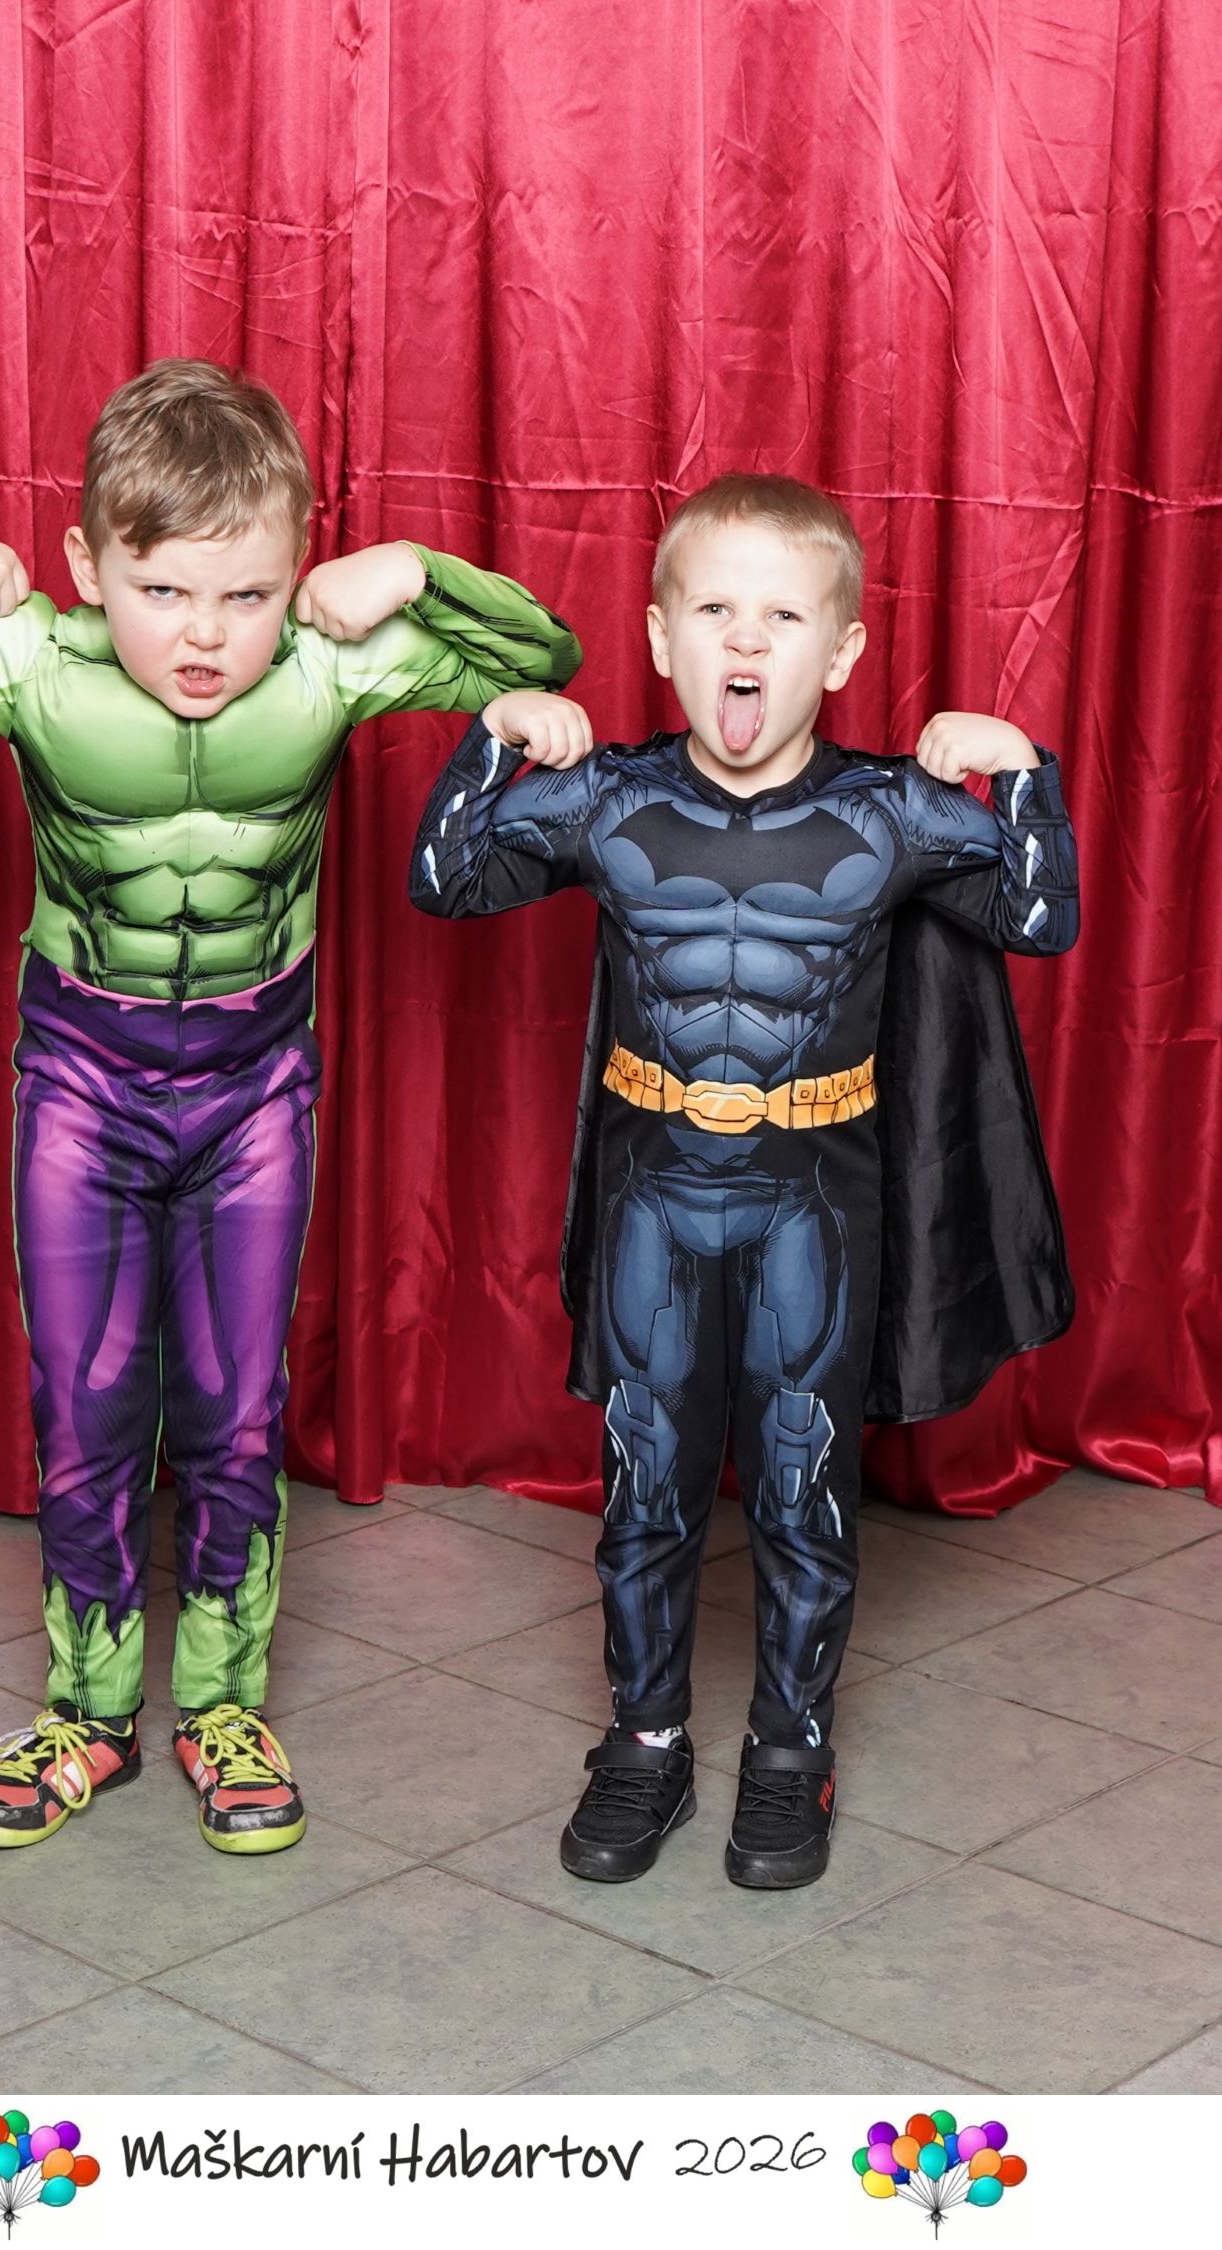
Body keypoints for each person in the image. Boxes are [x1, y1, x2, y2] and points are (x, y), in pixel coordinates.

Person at [0, 357, 580, 1855]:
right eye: (161, 591)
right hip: (82, 1083)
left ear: (294, 573)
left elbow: (543, 657)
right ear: (90, 566)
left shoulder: (328, 666)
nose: (205, 635)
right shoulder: (31, 664)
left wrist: (413, 569)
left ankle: (222, 1706)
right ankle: (88, 1717)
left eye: (245, 594)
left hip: (255, 1087)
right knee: (84, 1407)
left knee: (234, 1404)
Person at [410, 472, 1077, 1890]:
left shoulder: (892, 814)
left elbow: (1038, 914)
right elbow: (445, 879)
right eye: (714, 610)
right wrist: (493, 739)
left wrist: (1020, 768)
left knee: (801, 1488)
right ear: (663, 638)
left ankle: (790, 1750)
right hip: (655, 1198)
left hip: (810, 1208)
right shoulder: (611, 797)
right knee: (646, 1490)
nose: (746, 640)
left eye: (781, 616)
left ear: (839, 653)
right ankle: (645, 1740)